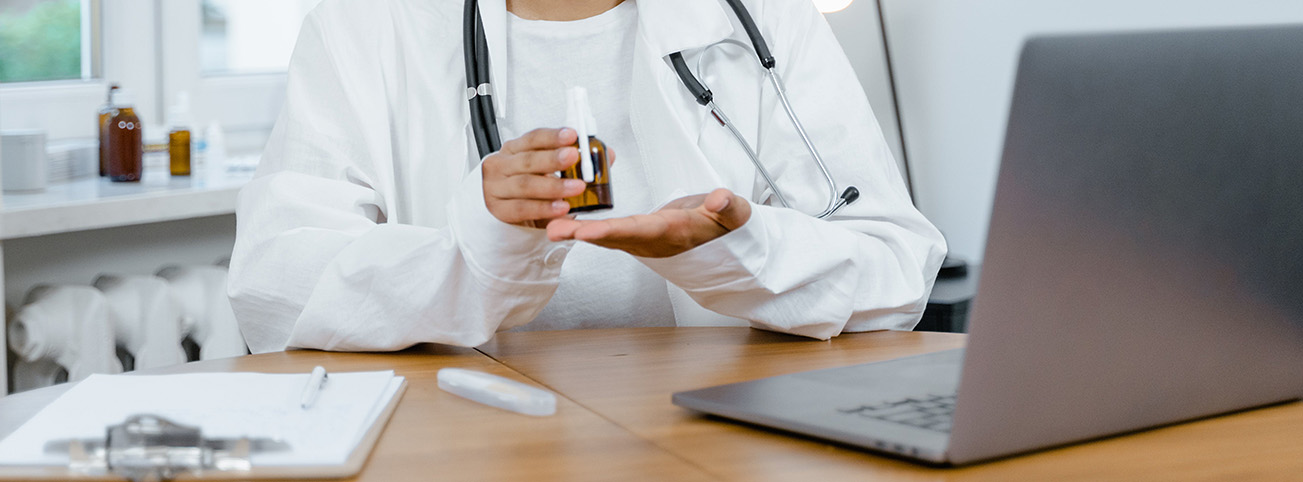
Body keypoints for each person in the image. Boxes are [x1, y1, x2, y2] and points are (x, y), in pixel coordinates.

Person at [227, 0, 947, 353]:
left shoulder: (758, 15)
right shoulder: (369, 22)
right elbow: (272, 286)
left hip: (715, 448)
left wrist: (732, 248)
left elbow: (895, 273)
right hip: (461, 446)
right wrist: (477, 244)